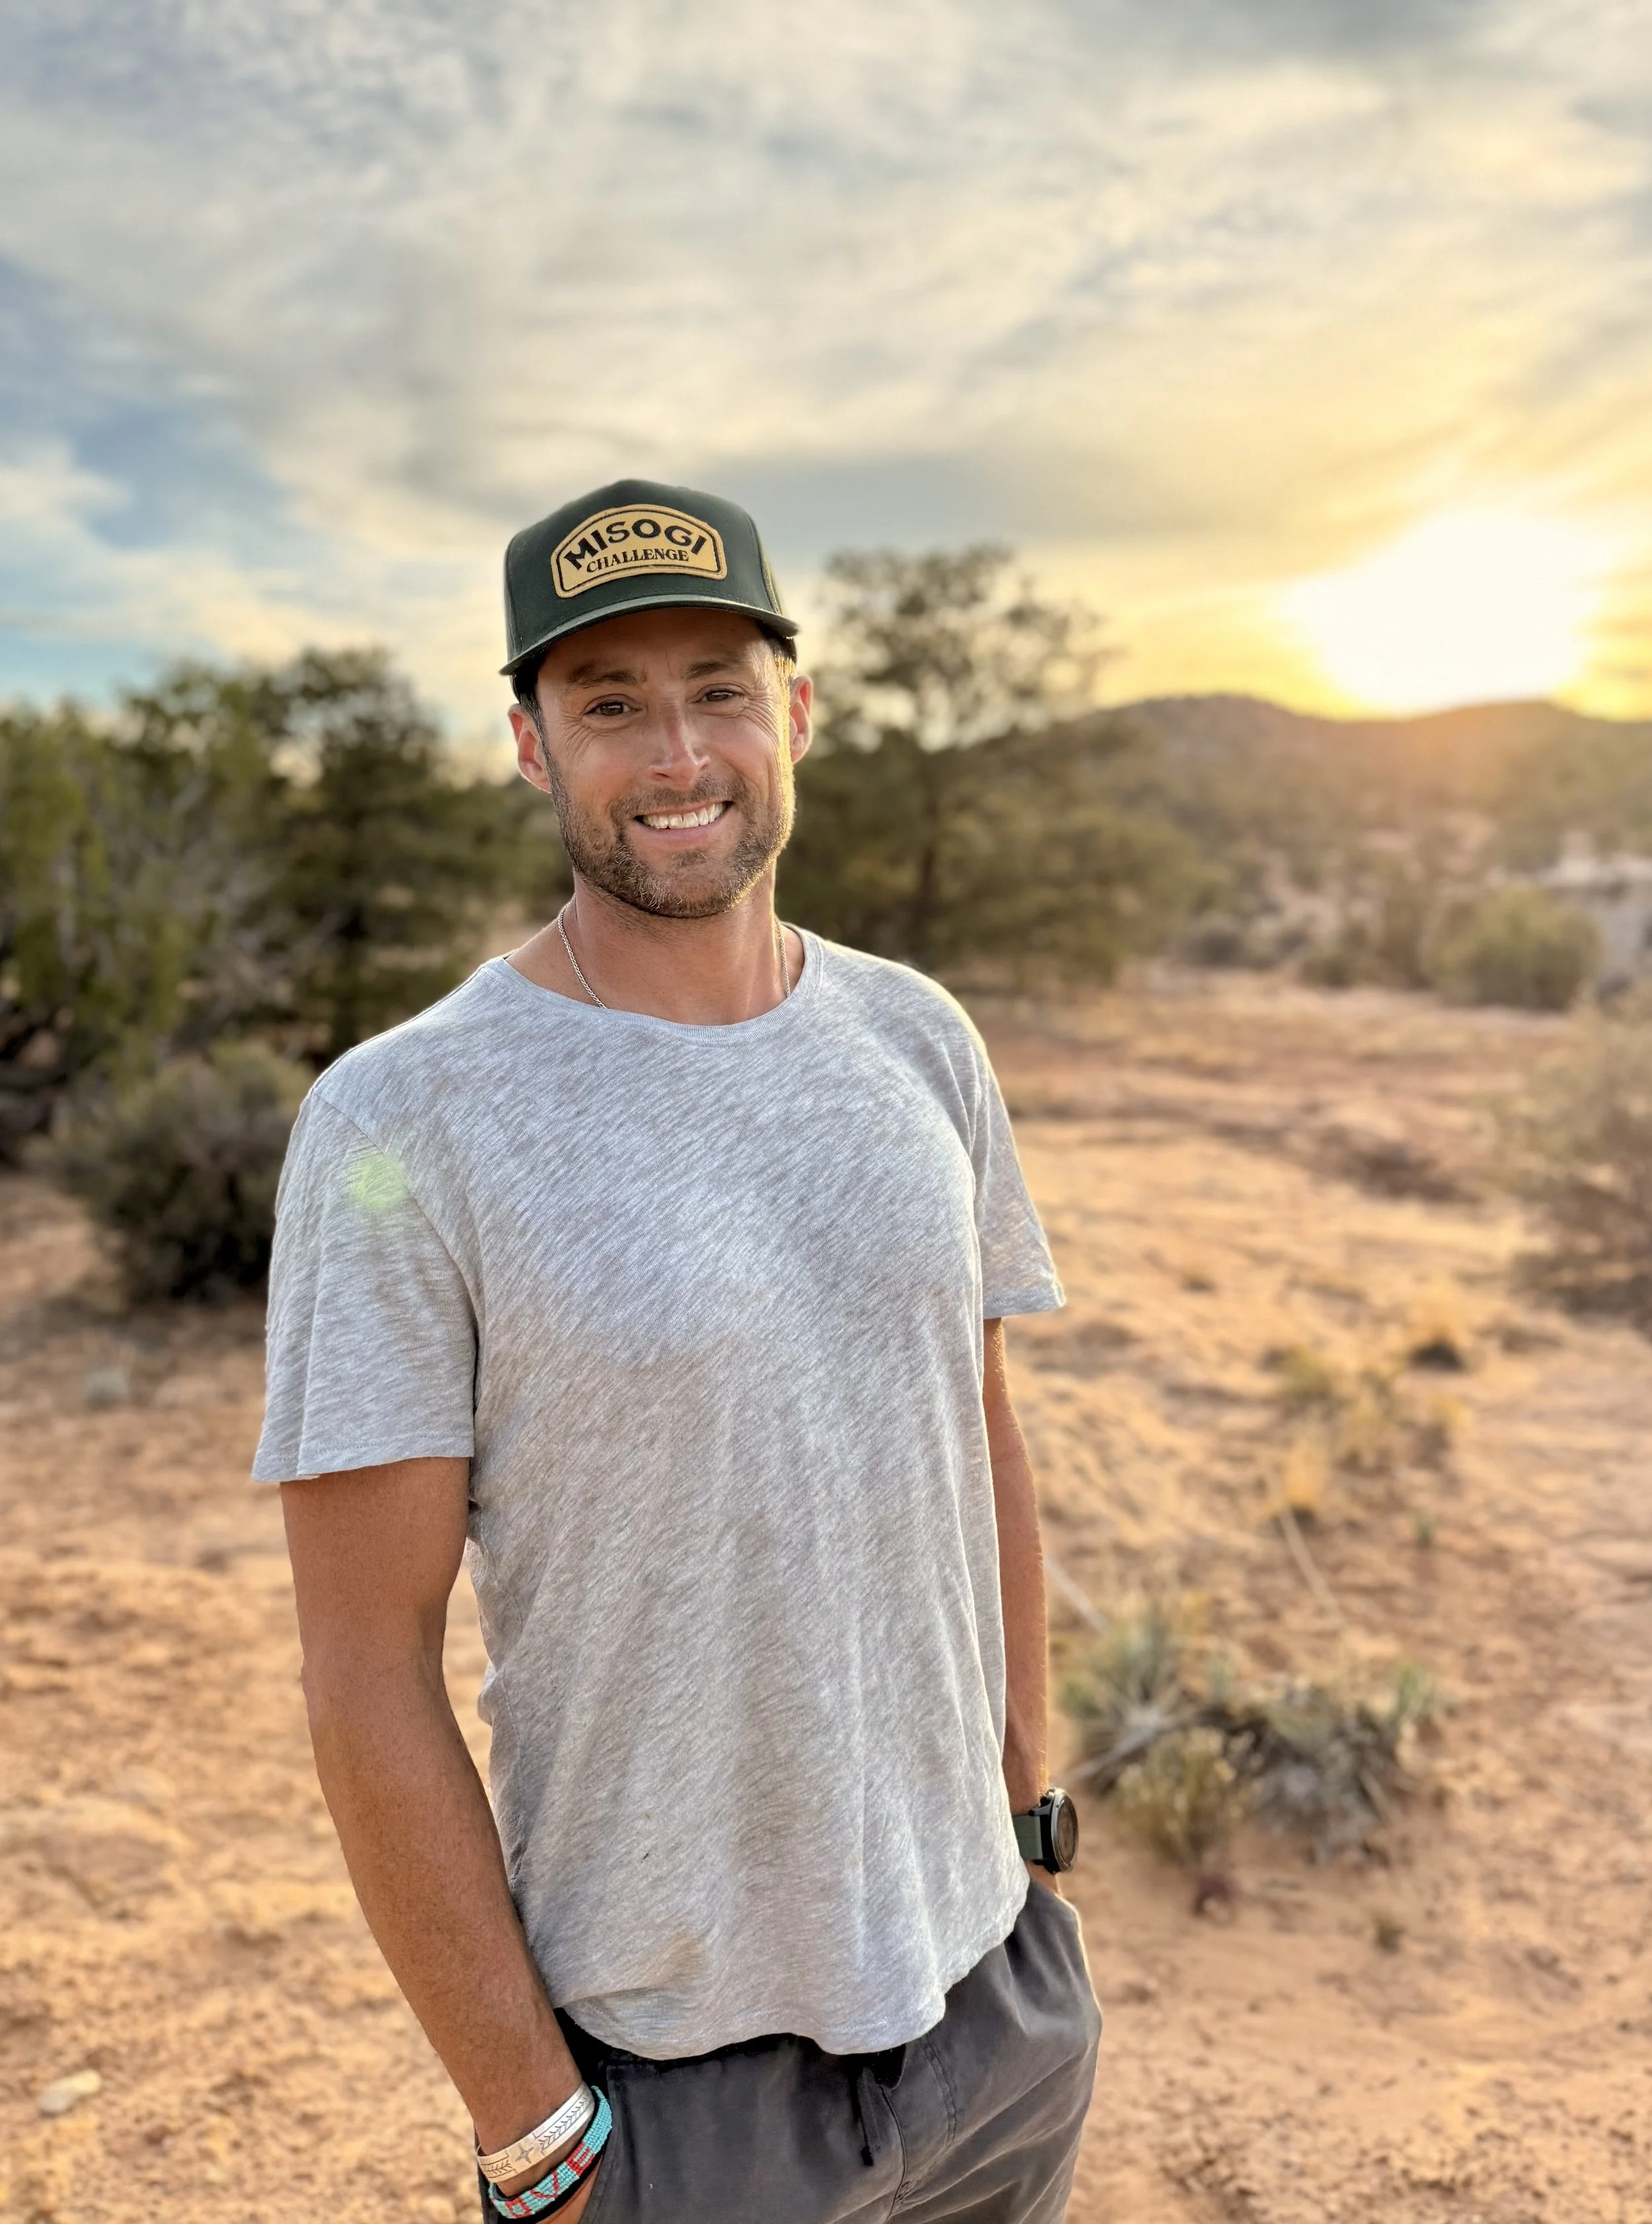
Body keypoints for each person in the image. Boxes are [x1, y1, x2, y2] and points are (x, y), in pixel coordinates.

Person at [257, 478, 1102, 2224]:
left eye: (720, 689)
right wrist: (534, 2129)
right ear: (530, 745)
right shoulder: (403, 1118)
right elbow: (366, 1667)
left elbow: (981, 1433)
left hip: (992, 2009)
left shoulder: (918, 1040)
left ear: (798, 713)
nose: (678, 753)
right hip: (674, 2091)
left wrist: (1026, 1823)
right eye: (610, 704)